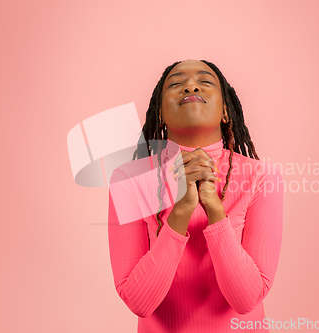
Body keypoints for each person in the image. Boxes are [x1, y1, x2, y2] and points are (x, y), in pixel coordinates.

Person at [107, 59, 283, 332]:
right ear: (161, 113)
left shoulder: (261, 177)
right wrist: (180, 211)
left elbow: (246, 300)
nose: (190, 85)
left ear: (226, 111)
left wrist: (215, 211)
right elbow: (139, 302)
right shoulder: (128, 180)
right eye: (176, 83)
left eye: (205, 81)